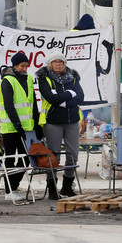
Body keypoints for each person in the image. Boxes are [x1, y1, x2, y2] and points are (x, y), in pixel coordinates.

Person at [36, 52, 84, 199]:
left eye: (61, 62)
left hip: (72, 121)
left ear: (64, 64)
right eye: (55, 62)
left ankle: (67, 187)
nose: (58, 64)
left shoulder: (73, 76)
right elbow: (52, 98)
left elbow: (80, 97)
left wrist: (63, 101)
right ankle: (52, 188)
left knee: (73, 155)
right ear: (50, 64)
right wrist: (70, 94)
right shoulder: (44, 77)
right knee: (53, 156)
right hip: (53, 121)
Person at [0, 52, 41, 201]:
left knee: (26, 158)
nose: (25, 68)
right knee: (10, 158)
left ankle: (13, 186)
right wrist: (17, 125)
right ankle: (8, 191)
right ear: (15, 65)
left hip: (27, 127)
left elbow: (33, 103)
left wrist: (37, 124)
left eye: (26, 66)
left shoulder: (28, 79)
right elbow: (9, 106)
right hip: (10, 128)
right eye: (22, 66)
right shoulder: (7, 80)